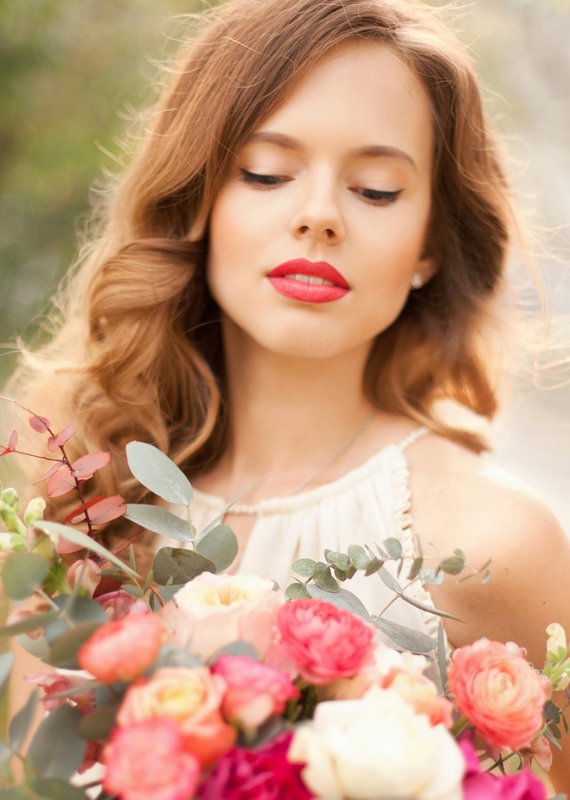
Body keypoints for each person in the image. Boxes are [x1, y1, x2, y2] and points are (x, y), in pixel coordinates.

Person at [9, 0, 569, 787]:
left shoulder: (494, 545)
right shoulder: (88, 515)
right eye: (267, 172)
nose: (318, 216)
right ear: (201, 197)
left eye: (376, 190)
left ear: (431, 248)